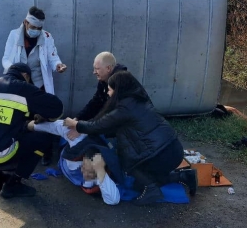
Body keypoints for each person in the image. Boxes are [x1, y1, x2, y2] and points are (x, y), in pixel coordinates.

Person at [64, 71, 197, 205]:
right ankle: (184, 176)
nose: (108, 94)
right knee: (138, 183)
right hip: (174, 148)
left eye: (110, 90)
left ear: (118, 90)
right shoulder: (139, 99)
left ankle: (152, 190)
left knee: (128, 162)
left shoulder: (124, 109)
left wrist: (75, 124)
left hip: (161, 154)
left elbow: (97, 125)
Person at [0, 63, 63, 199]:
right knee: (43, 138)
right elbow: (57, 107)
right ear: (26, 76)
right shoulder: (22, 87)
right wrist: (43, 115)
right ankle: (13, 185)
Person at [2, 6, 67, 165]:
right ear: (25, 23)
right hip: (20, 84)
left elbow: (53, 57)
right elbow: (6, 58)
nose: (36, 31)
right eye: (33, 27)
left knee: (45, 118)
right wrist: (13, 71)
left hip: (39, 84)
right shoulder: (13, 35)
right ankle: (22, 151)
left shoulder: (47, 37)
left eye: (39, 28)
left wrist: (58, 65)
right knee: (21, 118)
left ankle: (46, 152)